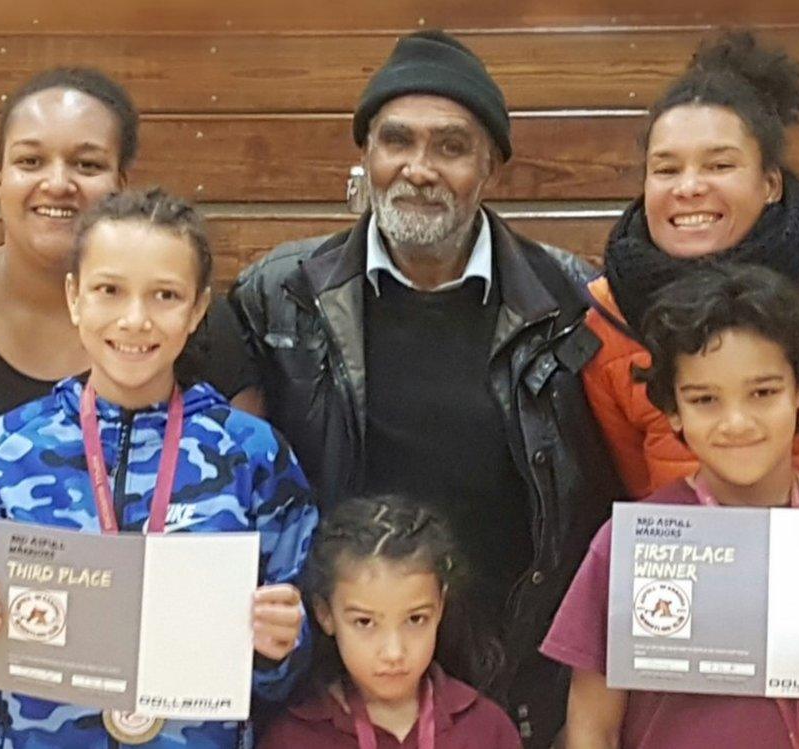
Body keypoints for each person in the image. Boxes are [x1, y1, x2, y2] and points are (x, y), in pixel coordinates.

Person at [231, 29, 624, 746]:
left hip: (515, 692)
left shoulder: (571, 302)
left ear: (491, 168)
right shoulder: (277, 297)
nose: (418, 168)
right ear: (367, 155)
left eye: (450, 146)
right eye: (396, 141)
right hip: (333, 694)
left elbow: (612, 495)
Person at [581, 31, 799, 649]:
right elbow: (646, 498)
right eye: (666, 169)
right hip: (712, 673)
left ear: (770, 183)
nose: (688, 187)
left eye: (719, 165)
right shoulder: (608, 323)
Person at [0, 67, 260, 738]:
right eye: (31, 160)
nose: (58, 181)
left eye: (87, 162)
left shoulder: (217, 367)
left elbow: (251, 541)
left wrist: (272, 631)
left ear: (121, 184)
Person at [0, 188, 317, 747]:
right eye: (109, 290)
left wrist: (281, 645)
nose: (134, 319)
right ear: (75, 297)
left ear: (198, 309)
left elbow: (294, 662)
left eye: (165, 295)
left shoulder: (254, 457)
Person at [542, 263, 799, 748]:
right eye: (705, 399)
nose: (736, 422)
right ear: (673, 411)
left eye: (763, 393)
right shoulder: (630, 546)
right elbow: (592, 724)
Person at [261, 494, 522, 748]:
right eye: (364, 622)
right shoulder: (293, 738)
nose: (394, 652)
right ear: (325, 614)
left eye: (415, 619)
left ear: (440, 605)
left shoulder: (486, 730)